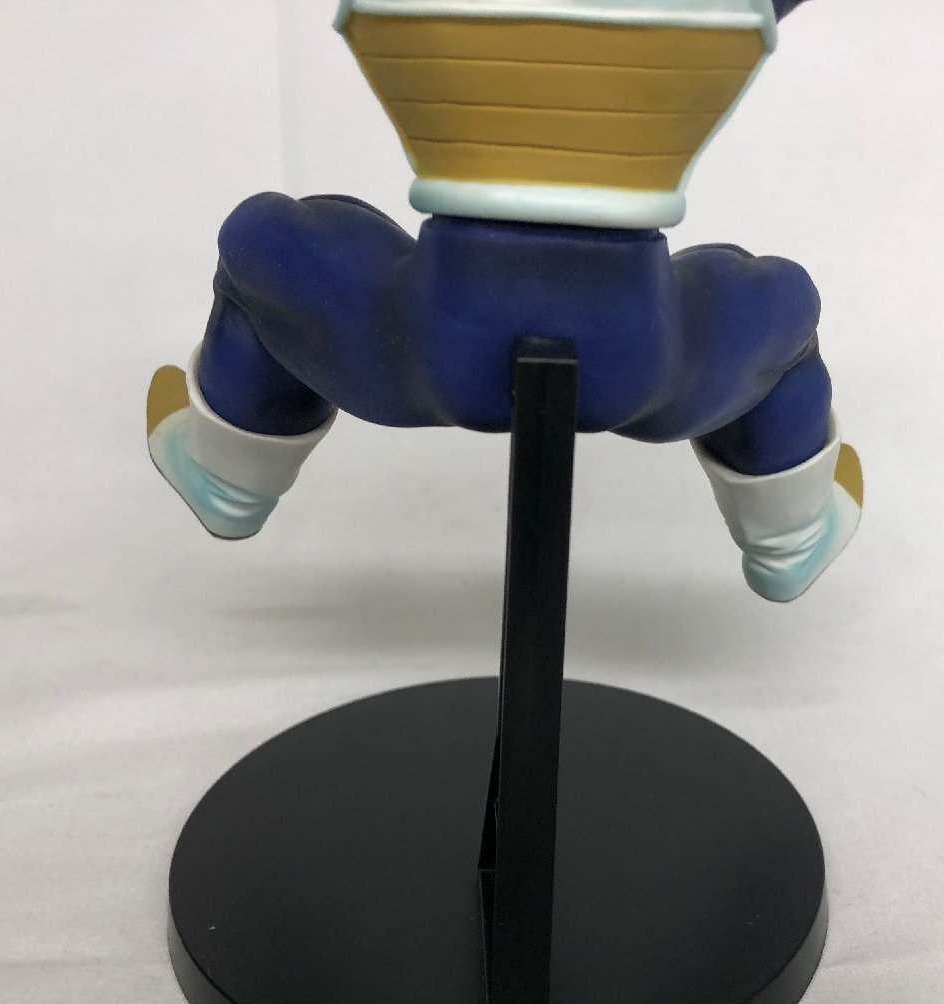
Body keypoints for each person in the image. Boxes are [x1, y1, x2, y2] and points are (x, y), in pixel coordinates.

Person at [148, 0, 860, 602]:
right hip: (641, 358)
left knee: (269, 239)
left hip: (427, 345)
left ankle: (229, 475)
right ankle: (789, 534)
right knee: (776, 300)